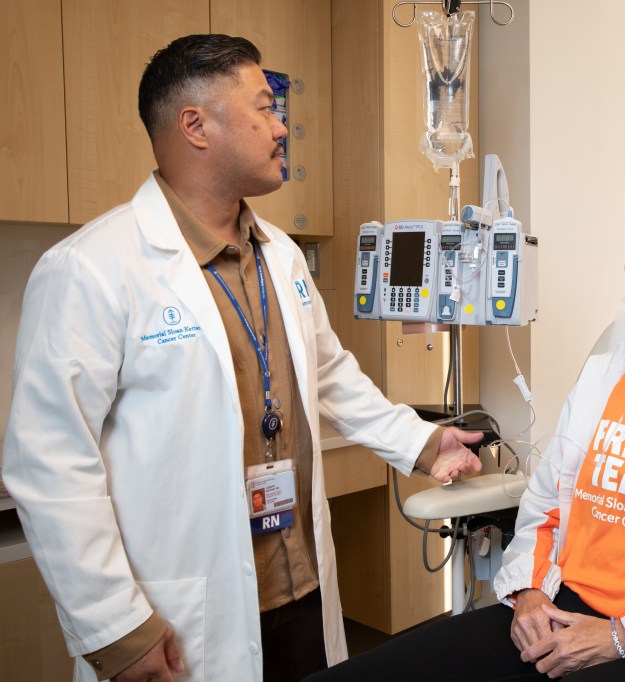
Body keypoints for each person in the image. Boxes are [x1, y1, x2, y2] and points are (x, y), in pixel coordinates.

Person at [2, 34, 482, 682]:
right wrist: (114, 629)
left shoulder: (279, 254)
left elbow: (331, 373)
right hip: (180, 616)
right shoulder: (92, 268)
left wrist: (422, 444)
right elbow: (48, 462)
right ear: (196, 126)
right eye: (264, 108)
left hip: (302, 593)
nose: (282, 127)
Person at [305, 179, 625, 682]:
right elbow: (543, 507)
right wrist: (531, 594)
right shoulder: (606, 377)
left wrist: (622, 636)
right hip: (559, 609)